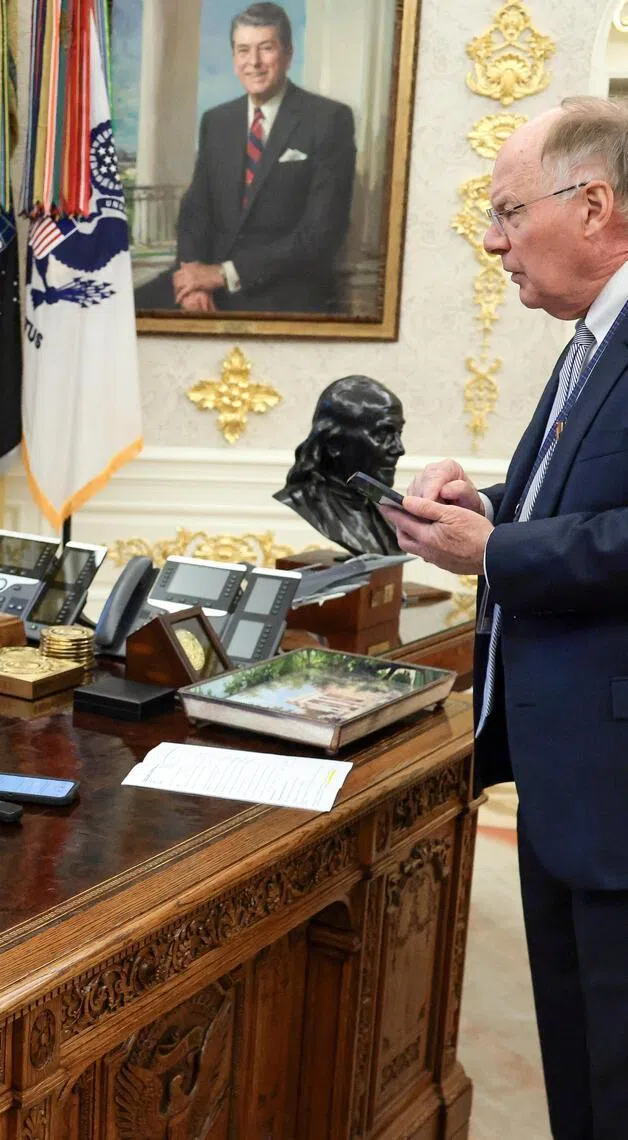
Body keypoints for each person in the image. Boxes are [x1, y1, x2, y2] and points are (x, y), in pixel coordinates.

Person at [381, 98, 628, 1137]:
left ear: (595, 204)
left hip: (619, 801)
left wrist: (504, 552)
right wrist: (487, 511)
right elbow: (585, 510)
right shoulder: (587, 344)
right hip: (566, 786)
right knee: (580, 1072)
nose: (491, 241)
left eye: (506, 211)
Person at [134, 2, 356, 314]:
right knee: (121, 314)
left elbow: (321, 234)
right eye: (243, 50)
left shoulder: (328, 120)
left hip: (282, 289)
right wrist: (193, 277)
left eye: (266, 48)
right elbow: (195, 211)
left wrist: (223, 274)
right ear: (233, 58)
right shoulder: (217, 122)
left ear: (288, 54)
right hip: (208, 282)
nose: (254, 62)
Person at [274, 375, 404, 554]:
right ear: (334, 444)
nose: (399, 448)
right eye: (382, 434)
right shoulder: (303, 502)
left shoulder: (385, 507)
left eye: (399, 433)